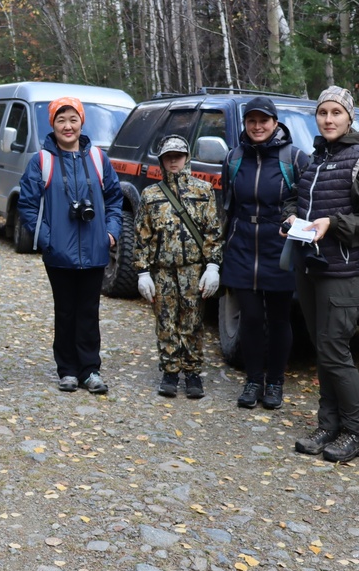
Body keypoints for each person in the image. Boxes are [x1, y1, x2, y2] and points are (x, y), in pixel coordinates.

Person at [289, 87, 359, 463]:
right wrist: (290, 218)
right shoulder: (316, 159)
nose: (328, 119)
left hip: (342, 271)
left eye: (336, 113)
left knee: (335, 350)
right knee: (323, 350)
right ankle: (328, 425)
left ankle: (355, 433)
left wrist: (333, 223)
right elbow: (298, 199)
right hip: (310, 267)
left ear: (349, 118)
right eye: (323, 113)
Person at [17, 97, 123, 394]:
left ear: (81, 122)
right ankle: (67, 370)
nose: (67, 126)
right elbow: (27, 205)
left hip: (95, 249)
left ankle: (90, 370)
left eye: (73, 120)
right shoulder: (42, 161)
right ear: (52, 124)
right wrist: (47, 240)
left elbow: (115, 199)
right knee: (65, 311)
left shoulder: (98, 158)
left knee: (88, 311)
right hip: (58, 252)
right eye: (61, 120)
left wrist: (110, 233)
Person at [220, 97, 310, 409]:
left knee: (279, 318)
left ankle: (275, 383)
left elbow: (306, 202)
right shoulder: (234, 158)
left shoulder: (294, 158)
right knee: (251, 317)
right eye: (251, 121)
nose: (257, 127)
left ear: (275, 122)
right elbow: (227, 205)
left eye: (263, 121)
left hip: (279, 248)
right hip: (242, 246)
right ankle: (253, 380)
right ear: (245, 124)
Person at [134, 135, 223, 399]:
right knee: (165, 321)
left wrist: (213, 266)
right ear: (161, 161)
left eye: (178, 156)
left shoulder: (203, 191)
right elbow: (142, 236)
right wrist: (142, 271)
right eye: (168, 157)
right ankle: (170, 372)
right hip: (162, 271)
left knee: (193, 322)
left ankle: (192, 372)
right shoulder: (150, 194)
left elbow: (213, 231)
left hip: (193, 270)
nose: (173, 161)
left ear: (187, 158)